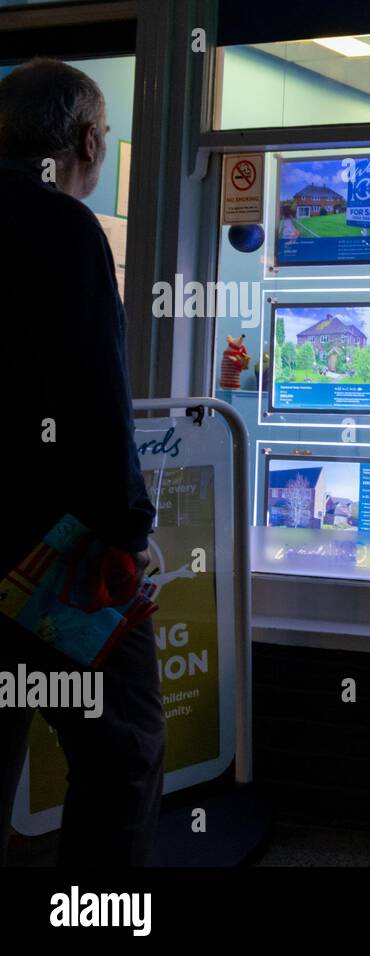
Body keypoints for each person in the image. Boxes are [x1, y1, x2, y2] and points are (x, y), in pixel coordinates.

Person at [0, 59, 163, 866]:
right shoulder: (62, 229)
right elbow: (97, 398)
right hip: (50, 553)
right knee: (120, 753)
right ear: (90, 140)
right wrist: (128, 529)